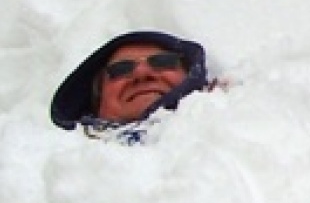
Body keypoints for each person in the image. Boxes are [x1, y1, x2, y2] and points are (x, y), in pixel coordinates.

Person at [50, 30, 212, 136]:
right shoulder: (71, 177)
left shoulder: (232, 132)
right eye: (121, 69)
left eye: (163, 61)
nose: (142, 73)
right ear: (97, 102)